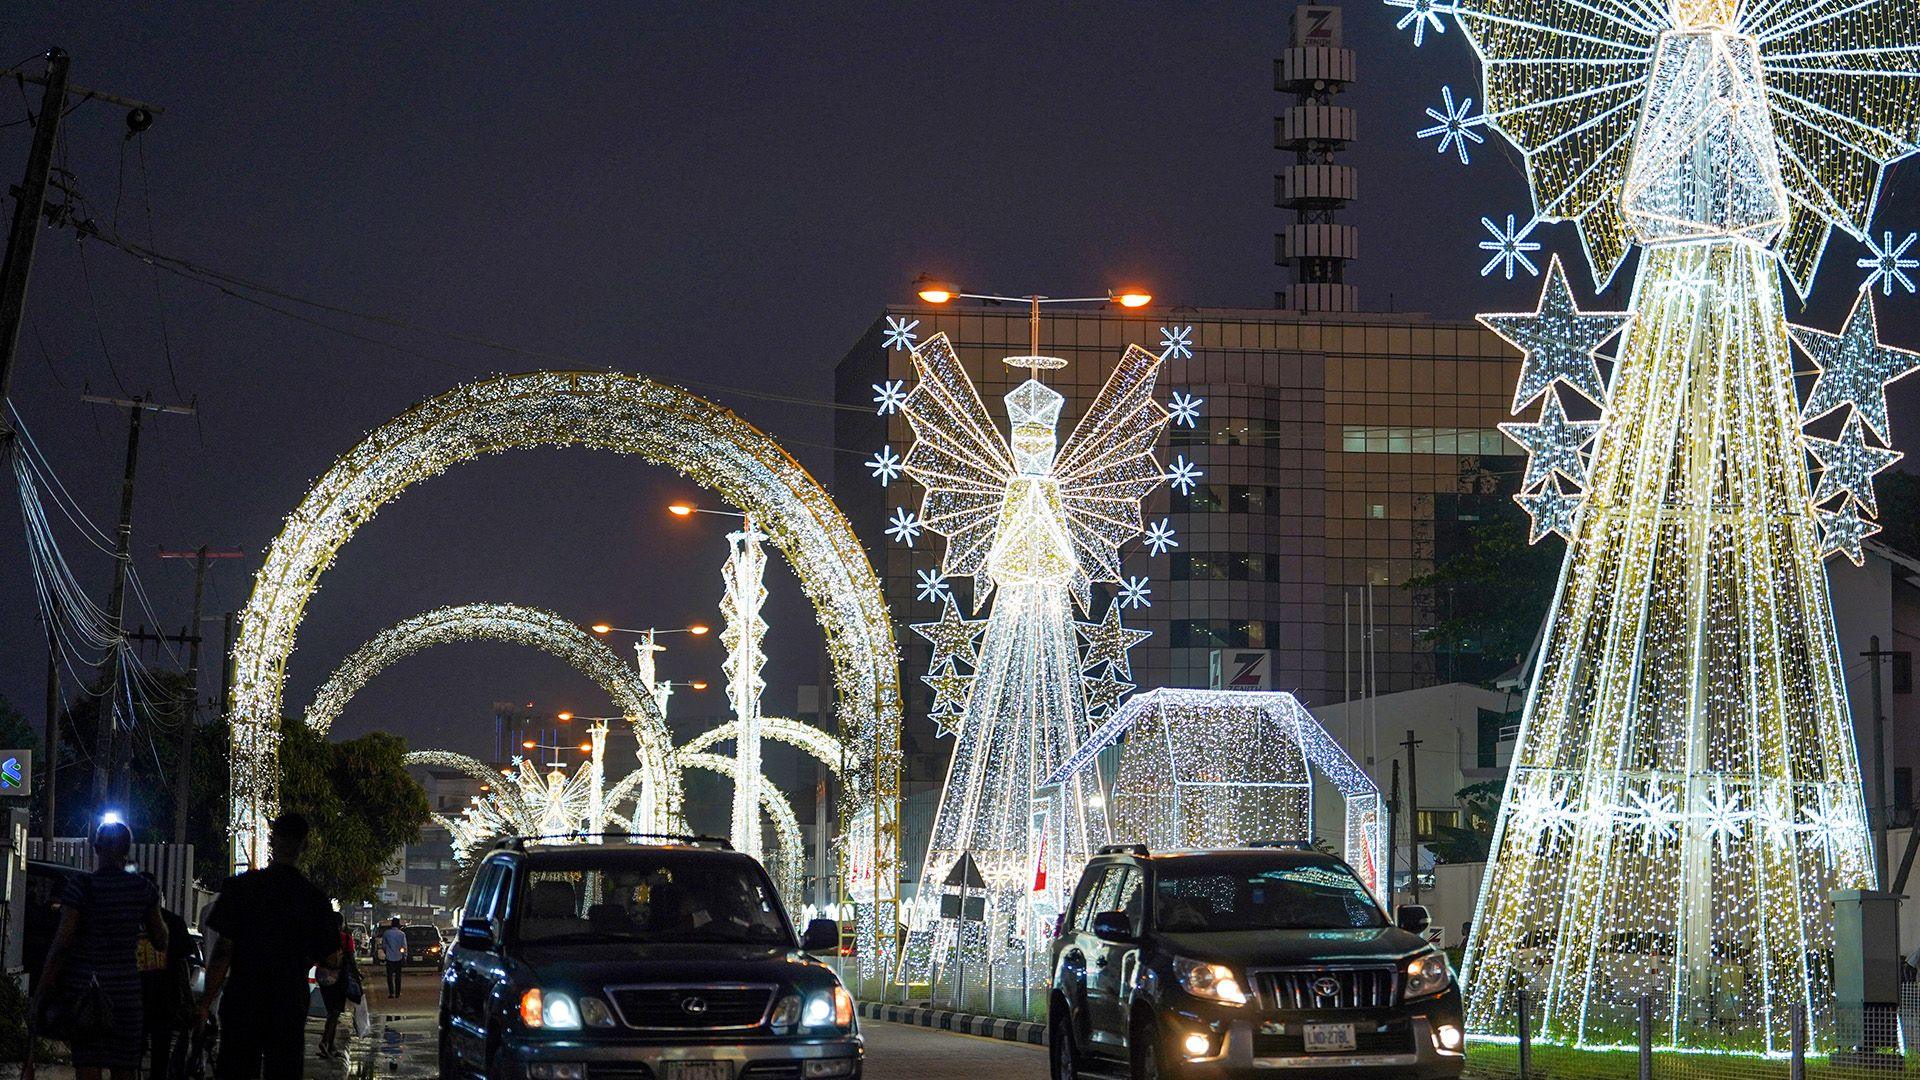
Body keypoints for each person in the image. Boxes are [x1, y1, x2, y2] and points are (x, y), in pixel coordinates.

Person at [199, 812, 340, 1079]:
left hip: (243, 999)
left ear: (273, 840)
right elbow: (331, 959)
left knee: (237, 1069)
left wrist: (205, 1003)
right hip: (287, 1004)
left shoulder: (240, 888)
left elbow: (222, 952)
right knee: (284, 1070)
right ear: (305, 845)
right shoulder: (313, 899)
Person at [28, 819, 168, 1080]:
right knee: (125, 1068)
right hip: (127, 996)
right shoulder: (142, 888)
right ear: (127, 850)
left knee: (88, 1065)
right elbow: (161, 939)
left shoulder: (81, 887)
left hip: (86, 994)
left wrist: (41, 992)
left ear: (96, 848)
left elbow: (62, 943)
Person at [137, 871, 193, 1080]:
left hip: (139, 999)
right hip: (164, 1000)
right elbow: (182, 964)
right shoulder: (174, 922)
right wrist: (187, 1000)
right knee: (160, 1058)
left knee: (132, 1056)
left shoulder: (128, 922)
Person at [315, 911, 362, 1059]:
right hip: (339, 978)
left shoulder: (322, 938)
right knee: (334, 1013)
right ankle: (325, 1042)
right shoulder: (345, 938)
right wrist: (357, 976)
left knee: (332, 1012)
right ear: (341, 924)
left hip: (323, 977)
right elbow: (350, 960)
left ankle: (330, 1046)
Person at [379, 917, 408, 998]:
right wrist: (404, 956)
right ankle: (397, 993)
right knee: (398, 976)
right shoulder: (402, 934)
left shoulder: (386, 933)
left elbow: (384, 946)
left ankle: (391, 992)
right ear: (398, 925)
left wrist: (387, 952)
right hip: (399, 957)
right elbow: (404, 947)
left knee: (389, 976)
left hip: (389, 957)